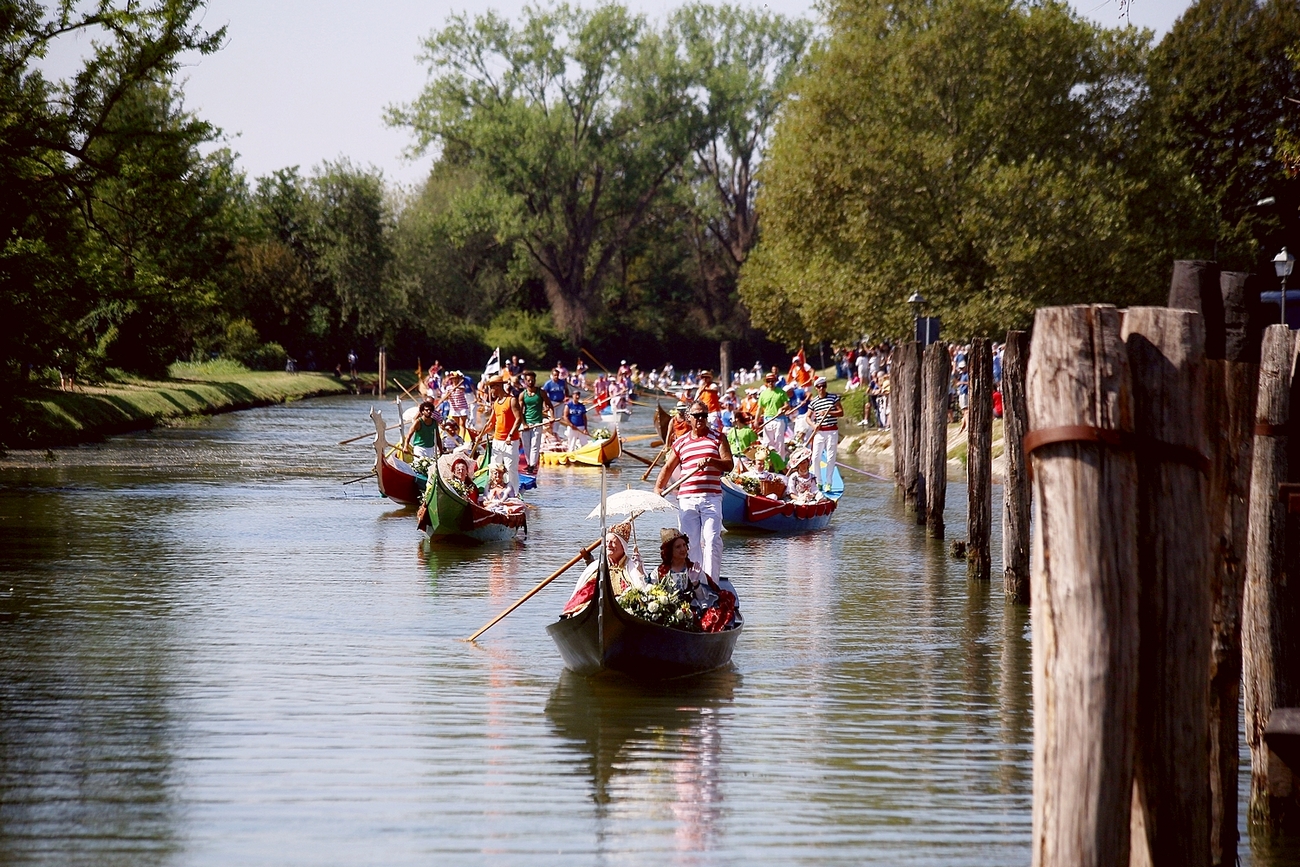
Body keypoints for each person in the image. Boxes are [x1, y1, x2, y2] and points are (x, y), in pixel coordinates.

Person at [653, 399, 734, 580]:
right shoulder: (681, 442)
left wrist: (711, 461)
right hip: (687, 498)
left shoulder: (719, 437)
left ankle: (711, 582)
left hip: (711, 498)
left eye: (704, 415)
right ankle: (694, 580)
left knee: (712, 540)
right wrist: (658, 489)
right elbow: (668, 468)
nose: (701, 419)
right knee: (689, 543)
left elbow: (729, 464)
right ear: (688, 418)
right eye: (697, 415)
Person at [655, 527, 738, 631]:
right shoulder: (660, 572)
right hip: (668, 611)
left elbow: (704, 598)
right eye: (678, 547)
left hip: (692, 610)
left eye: (684, 545)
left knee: (713, 618)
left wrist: (696, 584)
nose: (683, 549)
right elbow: (648, 589)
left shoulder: (694, 569)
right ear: (670, 551)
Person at [561, 522, 646, 616]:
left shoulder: (632, 566)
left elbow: (642, 588)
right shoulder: (596, 566)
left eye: (613, 542)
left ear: (623, 546)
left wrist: (639, 571)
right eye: (607, 542)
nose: (609, 545)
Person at [478, 376, 523, 493]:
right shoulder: (496, 403)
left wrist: (511, 434)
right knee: (494, 467)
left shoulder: (511, 400)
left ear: (497, 386)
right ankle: (495, 491)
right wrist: (480, 435)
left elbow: (519, 419)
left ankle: (514, 494)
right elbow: (490, 423)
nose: (490, 391)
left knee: (510, 469)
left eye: (491, 388)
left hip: (511, 441)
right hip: (497, 440)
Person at [807, 377, 844, 489]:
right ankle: (819, 481)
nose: (821, 388)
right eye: (819, 386)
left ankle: (828, 482)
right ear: (816, 388)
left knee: (830, 457)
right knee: (815, 457)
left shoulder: (833, 398)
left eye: (823, 386)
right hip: (820, 432)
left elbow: (841, 412)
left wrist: (829, 413)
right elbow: (807, 417)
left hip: (832, 431)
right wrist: (814, 425)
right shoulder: (814, 402)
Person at [518, 370, 551, 474]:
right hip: (526, 423)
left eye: (532, 380)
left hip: (537, 422)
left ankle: (532, 465)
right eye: (528, 380)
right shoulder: (522, 395)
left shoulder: (541, 392)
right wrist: (524, 424)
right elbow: (519, 411)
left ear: (535, 380)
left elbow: (549, 404)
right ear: (525, 382)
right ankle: (528, 464)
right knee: (526, 445)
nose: (531, 382)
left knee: (535, 445)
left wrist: (552, 416)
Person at [756, 372, 791, 458]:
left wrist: (782, 409)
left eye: (772, 381)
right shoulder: (763, 394)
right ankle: (769, 460)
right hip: (767, 419)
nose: (770, 383)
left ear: (775, 381)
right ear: (766, 382)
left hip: (779, 419)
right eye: (768, 381)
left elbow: (787, 405)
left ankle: (780, 461)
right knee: (767, 442)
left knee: (779, 442)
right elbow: (760, 408)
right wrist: (756, 421)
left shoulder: (781, 392)